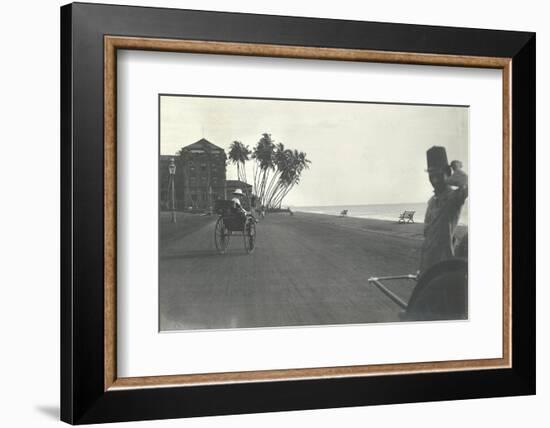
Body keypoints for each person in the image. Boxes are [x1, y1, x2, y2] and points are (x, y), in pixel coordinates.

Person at [419, 146, 468, 275]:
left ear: (447, 174)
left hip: (443, 266)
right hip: (427, 266)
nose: (434, 179)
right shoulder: (431, 202)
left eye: (438, 175)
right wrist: (422, 268)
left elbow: (465, 181)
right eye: (431, 175)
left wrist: (456, 168)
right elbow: (427, 238)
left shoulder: (454, 197)